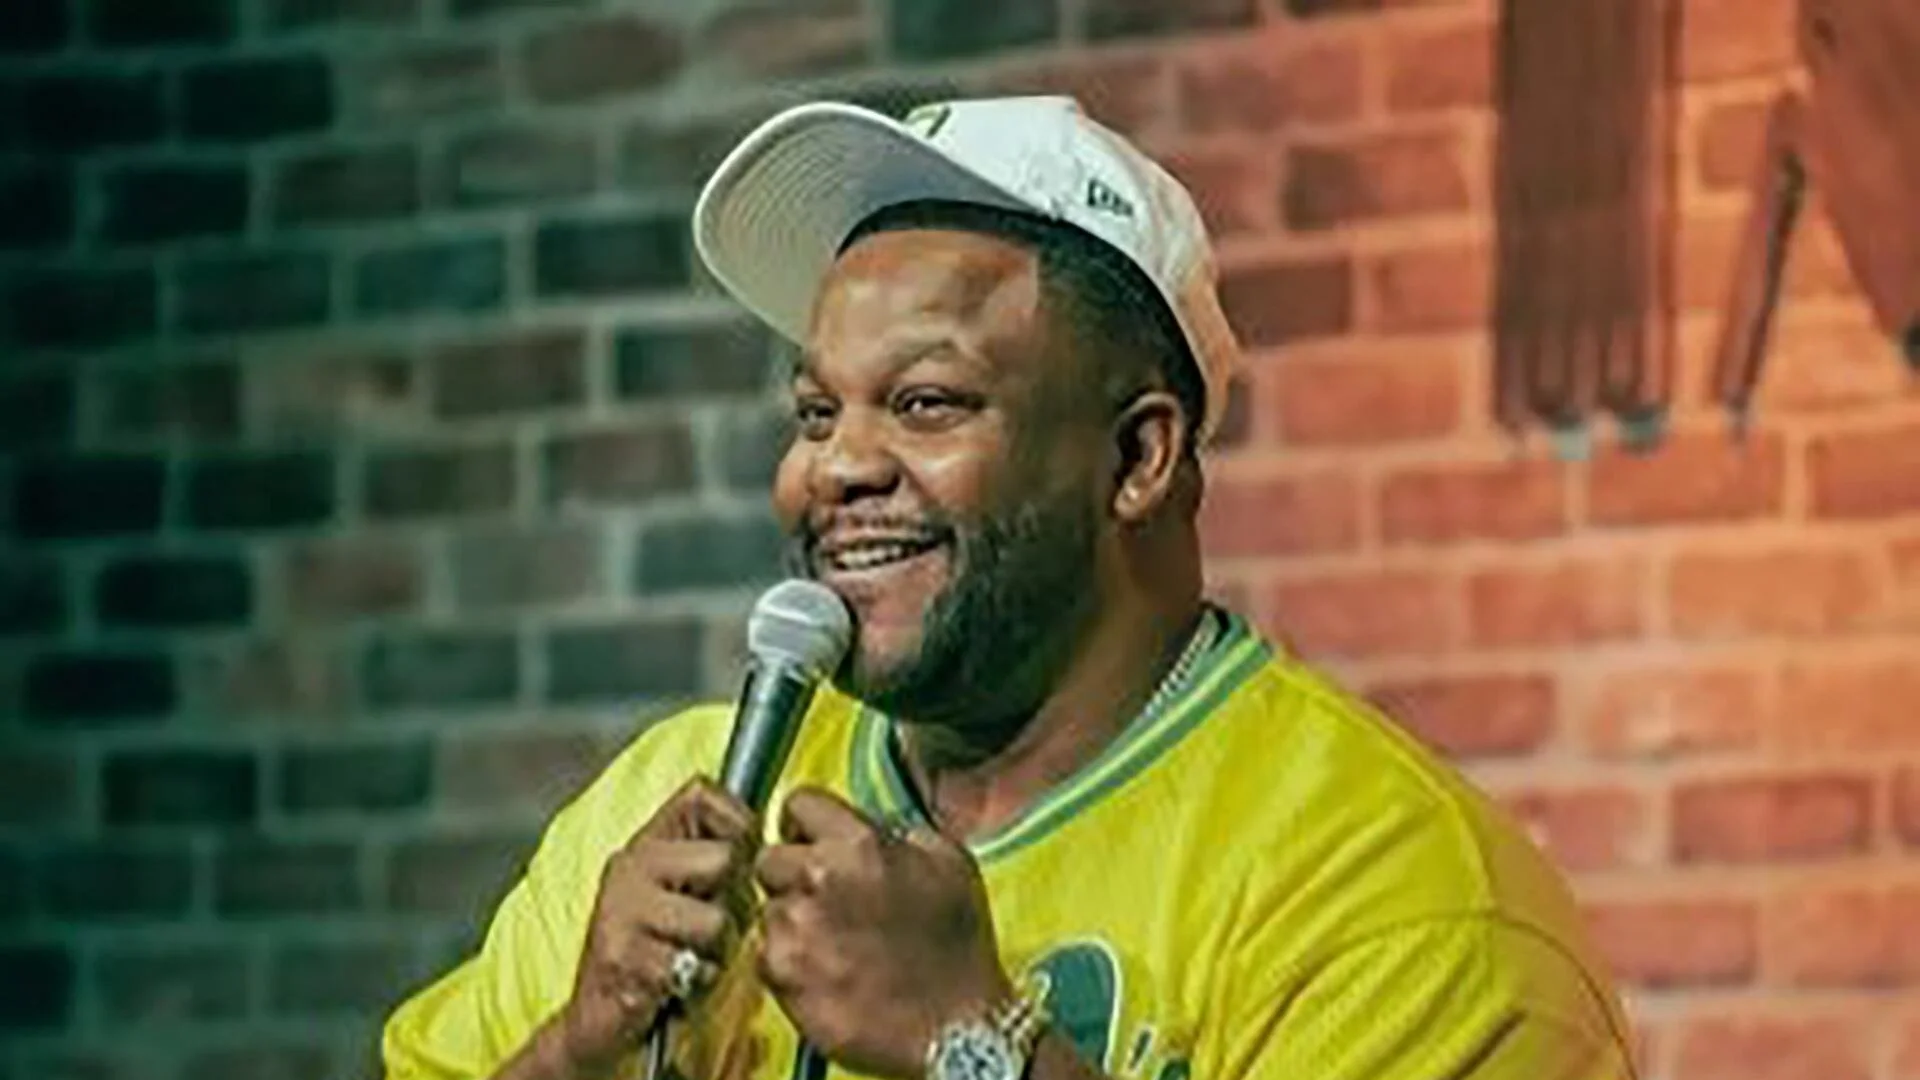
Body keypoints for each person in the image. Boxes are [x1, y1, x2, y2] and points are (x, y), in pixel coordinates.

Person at [381, 95, 1636, 1080]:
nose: (833, 467)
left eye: (926, 403)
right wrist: (577, 1051)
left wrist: (977, 1047)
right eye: (816, 411)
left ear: (1137, 459)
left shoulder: (1403, 903)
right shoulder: (680, 802)